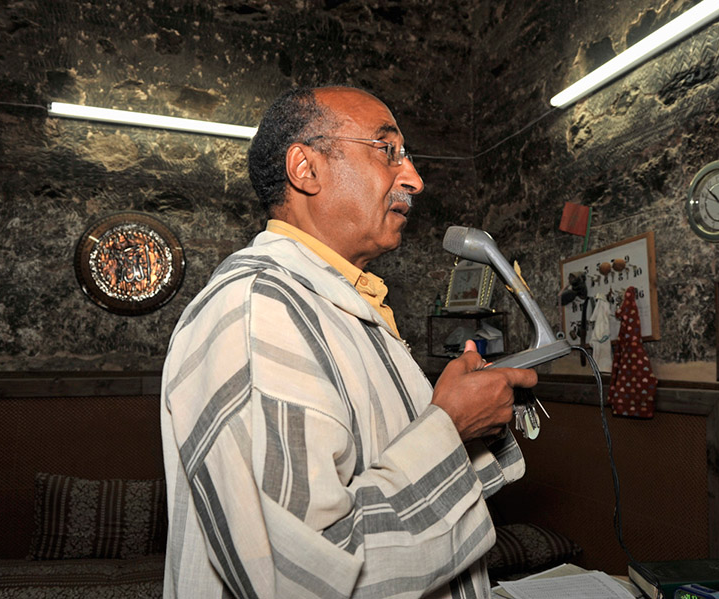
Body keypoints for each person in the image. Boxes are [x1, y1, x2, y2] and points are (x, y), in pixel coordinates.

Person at [160, 85, 538, 599]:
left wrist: (469, 421)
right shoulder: (257, 311)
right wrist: (449, 427)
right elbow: (297, 576)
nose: (415, 179)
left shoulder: (336, 302)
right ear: (306, 168)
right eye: (388, 151)